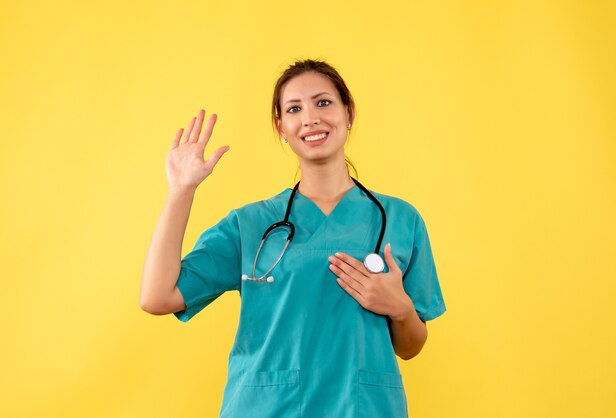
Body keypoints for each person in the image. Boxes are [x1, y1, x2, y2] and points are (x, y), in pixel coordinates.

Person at [140, 59, 446, 417]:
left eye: (323, 102)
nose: (310, 118)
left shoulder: (399, 219)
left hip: (362, 408)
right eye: (294, 109)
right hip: (266, 408)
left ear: (348, 113)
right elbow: (157, 296)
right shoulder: (250, 224)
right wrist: (181, 190)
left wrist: (400, 308)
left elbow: (410, 347)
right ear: (281, 127)